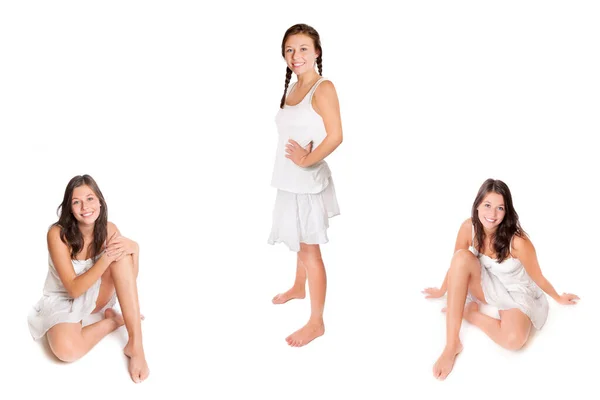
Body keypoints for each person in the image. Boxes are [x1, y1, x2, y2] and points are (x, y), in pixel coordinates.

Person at [423, 178, 579, 380]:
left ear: (507, 212)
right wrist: (441, 290)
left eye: (500, 208)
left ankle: (470, 314)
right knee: (462, 257)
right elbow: (455, 265)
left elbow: (538, 277)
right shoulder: (468, 228)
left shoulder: (519, 242)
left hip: (516, 291)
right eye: (487, 205)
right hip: (486, 283)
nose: (492, 214)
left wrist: (558, 297)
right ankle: (452, 345)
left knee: (514, 340)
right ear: (477, 204)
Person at [28, 174, 150, 383]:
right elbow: (74, 289)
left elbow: (128, 279)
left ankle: (136, 344)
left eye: (90, 198)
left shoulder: (109, 229)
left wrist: (135, 250)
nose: (85, 206)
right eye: (77, 201)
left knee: (122, 254)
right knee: (66, 350)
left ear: (100, 202)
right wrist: (106, 258)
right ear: (69, 208)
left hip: (97, 297)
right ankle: (113, 321)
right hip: (64, 298)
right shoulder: (57, 234)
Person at [268, 23, 343, 347]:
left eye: (302, 49)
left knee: (310, 250)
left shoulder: (323, 88)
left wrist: (306, 160)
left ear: (316, 52)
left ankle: (316, 322)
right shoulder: (293, 86)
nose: (295, 56)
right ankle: (299, 287)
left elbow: (336, 135)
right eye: (289, 50)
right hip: (289, 180)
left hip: (307, 182)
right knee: (297, 236)